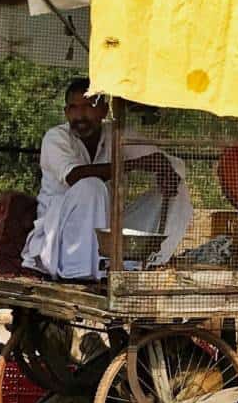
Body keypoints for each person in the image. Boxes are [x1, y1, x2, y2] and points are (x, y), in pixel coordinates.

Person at [21, 79, 192, 280]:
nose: (80, 115)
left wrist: (166, 171)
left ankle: (151, 262)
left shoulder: (116, 134)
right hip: (59, 235)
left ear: (103, 110)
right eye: (74, 108)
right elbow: (75, 176)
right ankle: (80, 275)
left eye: (88, 106)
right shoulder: (56, 137)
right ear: (66, 113)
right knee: (91, 185)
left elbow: (161, 159)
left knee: (178, 187)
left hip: (106, 231)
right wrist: (131, 165)